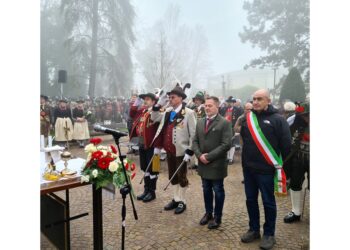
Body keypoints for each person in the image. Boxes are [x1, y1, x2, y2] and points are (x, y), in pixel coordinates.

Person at [240, 89, 291, 250]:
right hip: (249, 169)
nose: (255, 102)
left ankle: (269, 234)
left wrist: (283, 170)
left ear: (268, 100)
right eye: (254, 99)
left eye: (260, 99)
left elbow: (286, 146)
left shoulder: (278, 120)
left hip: (267, 171)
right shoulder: (248, 118)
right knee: (250, 200)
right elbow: (245, 141)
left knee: (268, 202)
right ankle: (254, 229)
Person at [151, 83, 196, 214]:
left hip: (181, 151)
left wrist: (190, 150)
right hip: (169, 149)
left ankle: (183, 201)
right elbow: (154, 117)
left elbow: (194, 134)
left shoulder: (189, 113)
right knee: (172, 176)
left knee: (182, 176)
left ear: (181, 98)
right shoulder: (168, 112)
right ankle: (176, 199)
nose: (170, 100)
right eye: (169, 97)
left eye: (173, 97)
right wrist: (158, 104)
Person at [192, 96, 232, 229]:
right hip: (203, 163)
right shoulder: (200, 122)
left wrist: (209, 156)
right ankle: (208, 213)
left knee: (218, 190)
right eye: (206, 106)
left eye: (210, 106)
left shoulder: (224, 123)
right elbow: (195, 141)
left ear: (217, 106)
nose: (207, 108)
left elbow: (226, 144)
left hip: (216, 164)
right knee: (206, 189)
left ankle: (217, 217)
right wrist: (199, 155)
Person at [129, 92, 160, 202]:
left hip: (153, 145)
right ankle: (146, 190)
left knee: (153, 169)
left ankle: (152, 192)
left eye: (148, 99)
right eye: (144, 99)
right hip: (142, 143)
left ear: (153, 102)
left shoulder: (157, 111)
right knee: (144, 167)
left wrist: (157, 106)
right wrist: (136, 101)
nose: (145, 101)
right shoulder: (143, 111)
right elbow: (132, 114)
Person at [283, 102, 310, 223]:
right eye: (304, 116)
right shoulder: (295, 123)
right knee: (294, 183)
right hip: (298, 157)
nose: (307, 118)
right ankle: (296, 211)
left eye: (309, 115)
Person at [234, 102, 253, 184]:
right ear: (244, 109)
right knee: (245, 161)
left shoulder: (256, 117)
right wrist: (245, 128)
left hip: (256, 144)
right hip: (244, 143)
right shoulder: (241, 118)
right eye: (247, 109)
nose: (249, 111)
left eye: (250, 109)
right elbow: (235, 128)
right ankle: (246, 178)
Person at [221, 96, 236, 164]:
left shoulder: (237, 110)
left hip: (232, 128)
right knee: (225, 142)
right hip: (224, 128)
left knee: (232, 143)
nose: (229, 104)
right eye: (229, 102)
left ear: (233, 103)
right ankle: (226, 157)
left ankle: (231, 158)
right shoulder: (223, 109)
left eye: (231, 102)